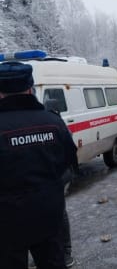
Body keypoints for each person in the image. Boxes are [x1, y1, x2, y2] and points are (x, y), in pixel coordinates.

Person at [0, 61, 78, 269]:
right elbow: (70, 161)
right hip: (48, 215)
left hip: (6, 223)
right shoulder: (52, 121)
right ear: (30, 88)